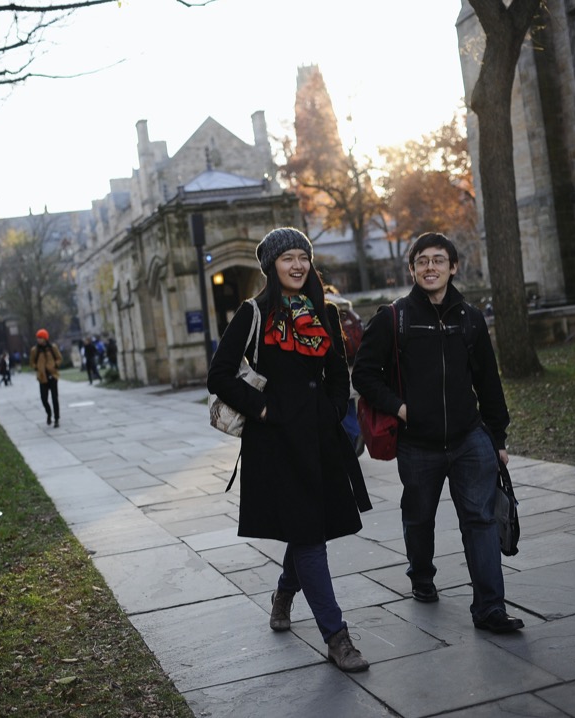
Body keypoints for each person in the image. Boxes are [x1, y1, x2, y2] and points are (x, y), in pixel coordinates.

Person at [207, 227, 372, 673]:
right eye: (288, 258)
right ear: (271, 266)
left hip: (319, 439)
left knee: (309, 530)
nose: (297, 265)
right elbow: (219, 375)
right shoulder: (254, 313)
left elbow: (339, 372)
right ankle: (337, 638)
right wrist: (262, 409)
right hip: (276, 444)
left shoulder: (325, 312)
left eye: (303, 256)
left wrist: (334, 409)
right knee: (310, 536)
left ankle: (283, 593)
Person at [352, 232, 524, 634]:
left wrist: (497, 439)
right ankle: (422, 574)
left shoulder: (470, 318)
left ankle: (489, 609)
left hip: (469, 439)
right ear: (412, 269)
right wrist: (401, 408)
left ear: (453, 267)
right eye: (423, 261)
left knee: (480, 521)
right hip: (418, 444)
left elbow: (489, 383)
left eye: (439, 260)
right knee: (418, 518)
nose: (431, 267)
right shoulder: (394, 317)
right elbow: (363, 373)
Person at [30, 329, 62, 427]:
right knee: (44, 399)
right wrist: (37, 368)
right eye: (38, 338)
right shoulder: (35, 350)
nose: (38, 340)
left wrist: (55, 365)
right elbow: (32, 362)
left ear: (45, 338)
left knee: (54, 398)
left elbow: (59, 358)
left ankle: (56, 419)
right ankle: (49, 413)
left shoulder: (52, 348)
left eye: (40, 337)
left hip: (52, 375)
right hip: (42, 377)